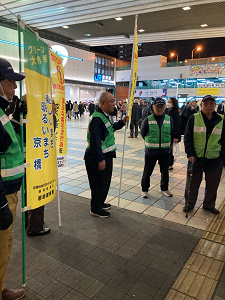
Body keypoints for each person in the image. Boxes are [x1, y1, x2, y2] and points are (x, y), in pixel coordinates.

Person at [0, 58, 26, 300]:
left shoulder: (2, 110)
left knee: (4, 248)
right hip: (2, 195)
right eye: (11, 82)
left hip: (9, 191)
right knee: (0, 249)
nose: (15, 88)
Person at [84, 92, 129, 218]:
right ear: (102, 103)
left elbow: (110, 129)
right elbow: (95, 142)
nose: (114, 104)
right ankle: (95, 208)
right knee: (98, 183)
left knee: (104, 182)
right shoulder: (97, 119)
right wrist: (100, 159)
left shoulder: (105, 116)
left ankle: (99, 202)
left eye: (114, 101)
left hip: (106, 155)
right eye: (111, 101)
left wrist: (122, 122)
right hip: (98, 157)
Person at [183, 95, 225, 214]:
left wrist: (222, 157)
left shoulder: (221, 119)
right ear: (201, 105)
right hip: (196, 157)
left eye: (211, 103)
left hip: (215, 159)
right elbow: (188, 137)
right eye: (206, 103)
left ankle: (209, 205)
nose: (209, 106)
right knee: (192, 184)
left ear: (215, 105)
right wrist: (190, 153)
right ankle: (189, 204)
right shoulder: (194, 118)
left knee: (212, 185)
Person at [141, 97, 174, 198]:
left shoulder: (169, 119)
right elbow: (143, 134)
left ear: (165, 108)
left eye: (162, 107)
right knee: (147, 171)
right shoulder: (148, 120)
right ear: (153, 107)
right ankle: (144, 189)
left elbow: (171, 134)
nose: (159, 109)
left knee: (165, 171)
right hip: (151, 151)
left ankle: (164, 188)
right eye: (157, 107)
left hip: (165, 151)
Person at [166, 97, 181, 170]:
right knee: (167, 149)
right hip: (167, 134)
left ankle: (169, 164)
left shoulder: (175, 113)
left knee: (171, 150)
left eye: (170, 102)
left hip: (172, 134)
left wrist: (176, 136)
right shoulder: (167, 111)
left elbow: (177, 125)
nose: (168, 104)